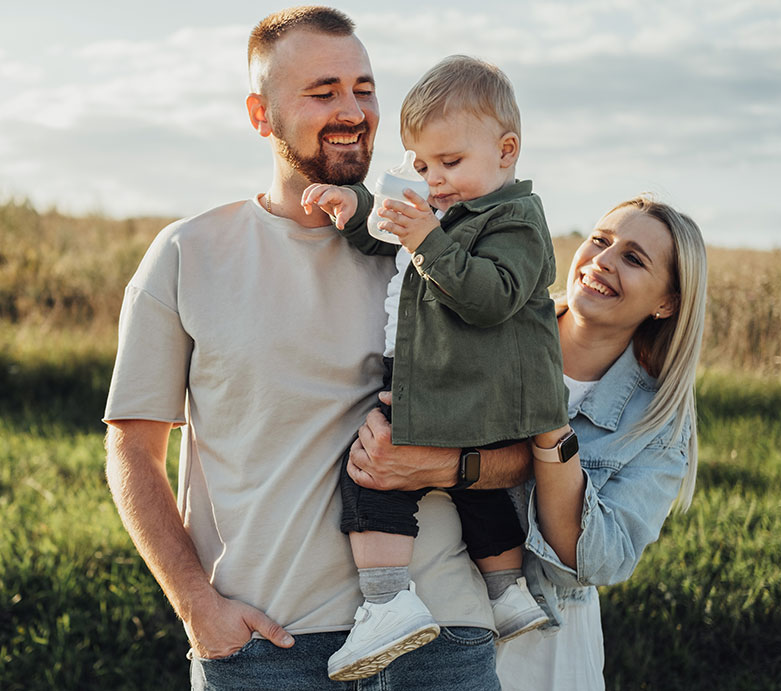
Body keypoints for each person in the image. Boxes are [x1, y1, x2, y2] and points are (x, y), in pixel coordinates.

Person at [103, 7, 526, 690]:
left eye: (364, 87)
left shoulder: (442, 247)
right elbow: (131, 449)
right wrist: (196, 606)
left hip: (442, 638)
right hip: (268, 647)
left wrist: (440, 464)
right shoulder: (186, 254)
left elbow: (525, 442)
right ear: (260, 114)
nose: (352, 109)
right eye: (323, 90)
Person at [301, 55, 570, 681]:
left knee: (373, 475)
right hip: (451, 380)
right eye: (422, 164)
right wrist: (354, 203)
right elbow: (385, 229)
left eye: (450, 163)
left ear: (507, 151)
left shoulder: (516, 221)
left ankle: (388, 602)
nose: (435, 180)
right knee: (476, 494)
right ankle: (506, 594)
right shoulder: (440, 208)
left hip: (446, 380)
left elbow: (492, 294)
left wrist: (427, 239)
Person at [492, 196, 708, 690]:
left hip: (543, 646)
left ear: (666, 303)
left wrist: (547, 423)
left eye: (633, 258)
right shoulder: (496, 326)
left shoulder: (658, 420)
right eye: (601, 240)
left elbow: (589, 561)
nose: (603, 262)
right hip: (429, 603)